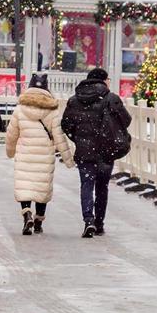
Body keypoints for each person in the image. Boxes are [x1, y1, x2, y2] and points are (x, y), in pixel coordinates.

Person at [60, 67, 132, 238]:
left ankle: (88, 220)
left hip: (85, 151)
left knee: (86, 184)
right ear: (103, 80)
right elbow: (126, 120)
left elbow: (66, 124)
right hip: (106, 150)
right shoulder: (111, 98)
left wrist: (79, 139)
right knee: (102, 186)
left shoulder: (74, 100)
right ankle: (99, 223)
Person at [6, 76, 74, 236]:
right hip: (44, 157)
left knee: (25, 187)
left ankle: (26, 215)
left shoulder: (20, 109)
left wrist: (10, 151)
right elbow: (59, 136)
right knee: (41, 189)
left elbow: (11, 134)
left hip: (25, 155)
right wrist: (68, 160)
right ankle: (38, 222)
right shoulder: (52, 110)